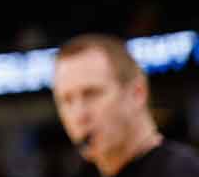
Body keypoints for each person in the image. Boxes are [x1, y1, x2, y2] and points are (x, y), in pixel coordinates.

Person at [53, 34, 199, 177]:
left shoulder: (180, 170)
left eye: (91, 94)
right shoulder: (85, 171)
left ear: (137, 93)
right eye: (67, 100)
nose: (79, 115)